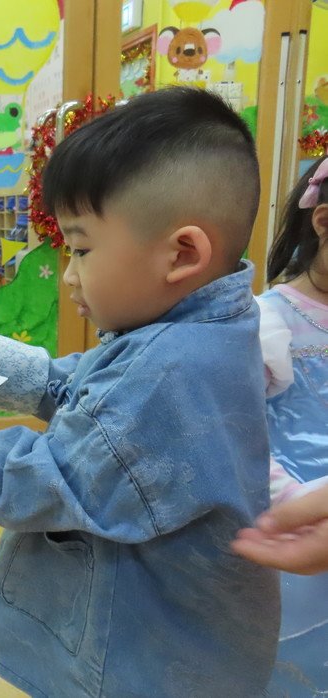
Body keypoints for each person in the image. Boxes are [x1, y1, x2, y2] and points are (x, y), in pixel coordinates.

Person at [0, 87, 279, 696]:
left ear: (182, 253)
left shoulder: (172, 365)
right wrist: (1, 364)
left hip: (145, 667)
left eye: (81, 250)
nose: (70, 276)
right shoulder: (201, 328)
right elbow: (103, 400)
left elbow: (46, 480)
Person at [231, 155, 328, 695]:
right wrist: (291, 503)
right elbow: (238, 430)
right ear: (323, 221)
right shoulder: (269, 321)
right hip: (296, 528)